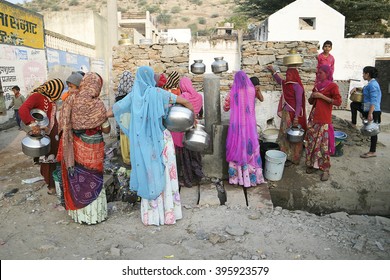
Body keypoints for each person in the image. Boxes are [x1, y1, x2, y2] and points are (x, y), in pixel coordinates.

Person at [107, 66, 194, 226]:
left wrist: (96, 117)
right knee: (166, 174)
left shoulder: (133, 97)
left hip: (143, 144)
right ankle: (169, 213)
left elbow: (114, 110)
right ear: (150, 78)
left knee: (148, 173)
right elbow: (185, 101)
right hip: (162, 141)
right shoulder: (159, 94)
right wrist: (192, 119)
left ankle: (152, 216)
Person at [57, 72, 111, 225]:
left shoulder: (71, 100)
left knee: (77, 177)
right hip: (94, 151)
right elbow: (106, 130)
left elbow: (63, 123)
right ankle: (95, 216)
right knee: (94, 178)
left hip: (75, 148)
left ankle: (79, 216)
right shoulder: (98, 104)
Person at [19, 79, 64, 195]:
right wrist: (33, 124)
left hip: (53, 134)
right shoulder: (37, 96)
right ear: (54, 90)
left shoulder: (49, 99)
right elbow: (23, 109)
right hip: (45, 135)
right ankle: (51, 185)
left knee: (53, 159)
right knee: (48, 160)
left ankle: (54, 182)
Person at [223, 70, 265, 187]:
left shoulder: (233, 92)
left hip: (237, 128)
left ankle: (238, 178)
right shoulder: (252, 90)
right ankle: (252, 178)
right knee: (250, 149)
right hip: (250, 126)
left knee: (238, 148)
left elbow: (225, 107)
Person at [305, 65, 342, 181]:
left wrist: (322, 96)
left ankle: (325, 169)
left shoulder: (333, 86)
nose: (318, 75)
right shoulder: (316, 86)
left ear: (327, 73)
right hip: (313, 118)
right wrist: (312, 96)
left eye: (320, 73)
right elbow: (311, 102)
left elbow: (338, 102)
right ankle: (312, 164)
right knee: (311, 143)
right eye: (317, 73)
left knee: (323, 145)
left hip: (324, 119)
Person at [267, 65, 307, 166]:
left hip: (294, 115)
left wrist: (296, 117)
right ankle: (285, 156)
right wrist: (273, 71)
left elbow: (299, 103)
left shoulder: (297, 87)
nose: (287, 76)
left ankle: (294, 157)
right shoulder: (286, 84)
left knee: (294, 136)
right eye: (287, 74)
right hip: (286, 114)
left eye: (289, 74)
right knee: (285, 136)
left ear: (294, 75)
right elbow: (279, 80)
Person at [171, 76, 205, 188]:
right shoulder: (199, 96)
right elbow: (200, 113)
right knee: (195, 155)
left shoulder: (182, 97)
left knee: (185, 157)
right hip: (194, 131)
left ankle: (188, 180)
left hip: (182, 131)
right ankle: (197, 176)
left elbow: (175, 113)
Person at [351, 66, 382, 158]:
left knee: (373, 131)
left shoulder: (373, 85)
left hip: (373, 110)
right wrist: (356, 88)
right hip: (367, 108)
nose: (362, 75)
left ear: (367, 74)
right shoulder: (370, 84)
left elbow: (374, 100)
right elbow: (365, 90)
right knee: (353, 104)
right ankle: (353, 123)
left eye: (364, 73)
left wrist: (370, 114)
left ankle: (372, 151)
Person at [114, 70, 134, 165]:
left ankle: (126, 158)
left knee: (123, 138)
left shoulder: (118, 94)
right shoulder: (134, 94)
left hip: (122, 120)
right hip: (131, 120)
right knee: (131, 138)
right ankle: (133, 157)